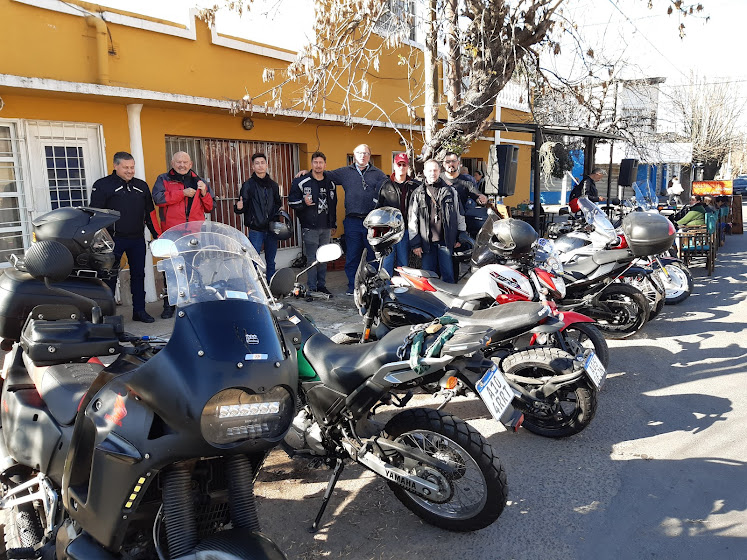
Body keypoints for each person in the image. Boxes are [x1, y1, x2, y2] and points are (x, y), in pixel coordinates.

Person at [90, 151, 159, 323]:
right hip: (112, 240)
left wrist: (157, 235)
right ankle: (106, 316)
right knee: (109, 278)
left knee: (139, 276)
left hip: (137, 239)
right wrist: (98, 240)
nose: (130, 171)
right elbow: (95, 215)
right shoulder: (102, 185)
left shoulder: (141, 186)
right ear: (116, 166)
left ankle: (139, 311)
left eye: (132, 167)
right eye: (126, 167)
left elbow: (150, 213)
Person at [153, 151, 214, 318]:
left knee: (193, 268)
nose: (182, 165)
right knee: (170, 269)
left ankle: (192, 303)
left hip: (194, 232)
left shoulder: (200, 181)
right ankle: (169, 304)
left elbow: (210, 207)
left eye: (185, 162)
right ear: (172, 163)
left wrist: (204, 193)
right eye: (178, 162)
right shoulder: (163, 179)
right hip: (171, 232)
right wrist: (182, 193)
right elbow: (158, 199)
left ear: (191, 164)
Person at [327, 144, 388, 295]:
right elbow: (324, 175)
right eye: (360, 153)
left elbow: (389, 187)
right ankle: (353, 286)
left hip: (372, 222)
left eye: (366, 153)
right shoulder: (345, 172)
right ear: (354, 155)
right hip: (352, 221)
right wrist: (306, 173)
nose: (363, 156)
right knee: (352, 255)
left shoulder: (378, 174)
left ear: (370, 156)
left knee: (373, 256)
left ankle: (372, 287)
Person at [288, 151, 337, 301]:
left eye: (321, 162)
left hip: (326, 227)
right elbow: (291, 202)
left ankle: (321, 285)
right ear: (311, 164)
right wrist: (304, 203)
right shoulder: (301, 181)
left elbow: (333, 205)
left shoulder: (330, 183)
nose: (318, 165)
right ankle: (311, 288)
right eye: (315, 162)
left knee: (324, 258)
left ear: (325, 165)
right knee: (312, 258)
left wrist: (333, 223)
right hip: (310, 227)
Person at [408, 159, 466, 284]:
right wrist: (415, 243)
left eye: (435, 170)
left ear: (440, 171)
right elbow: (412, 220)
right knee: (428, 278)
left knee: (448, 276)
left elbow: (459, 214)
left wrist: (460, 234)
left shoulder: (451, 191)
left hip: (446, 242)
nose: (432, 173)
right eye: (429, 170)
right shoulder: (418, 193)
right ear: (424, 172)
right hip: (427, 243)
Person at [235, 153, 282, 282]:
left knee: (271, 260)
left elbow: (278, 203)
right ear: (253, 166)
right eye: (257, 163)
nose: (260, 166)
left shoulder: (273, 185)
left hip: (271, 228)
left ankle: (271, 285)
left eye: (262, 163)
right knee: (252, 261)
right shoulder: (248, 185)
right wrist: (238, 207)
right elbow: (242, 205)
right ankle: (252, 286)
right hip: (256, 229)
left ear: (266, 165)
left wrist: (278, 212)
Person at [376, 152, 419, 276]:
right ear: (394, 165)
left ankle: (403, 285)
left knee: (403, 262)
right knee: (386, 261)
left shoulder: (415, 186)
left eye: (404, 165)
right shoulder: (385, 185)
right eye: (399, 164)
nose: (401, 167)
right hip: (388, 231)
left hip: (406, 230)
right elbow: (378, 208)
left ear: (408, 167)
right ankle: (385, 285)